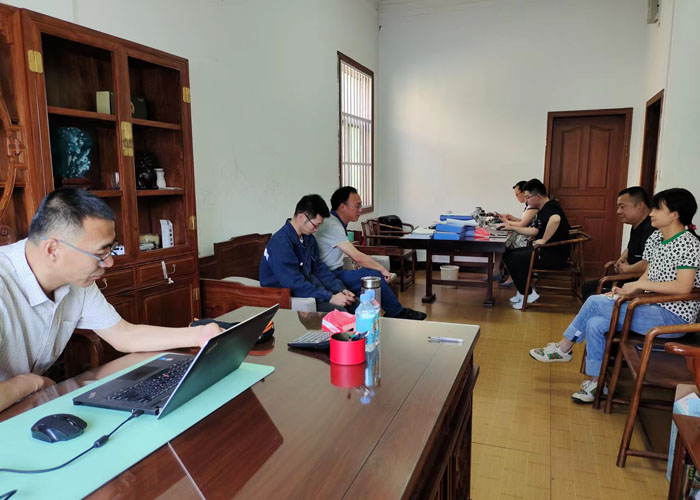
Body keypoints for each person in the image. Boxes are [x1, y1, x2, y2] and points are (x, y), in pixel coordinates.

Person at [0, 189, 222, 412]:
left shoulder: (77, 280)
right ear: (52, 250)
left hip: (28, 405)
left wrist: (200, 335)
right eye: (100, 254)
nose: (109, 263)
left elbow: (123, 335)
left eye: (110, 250)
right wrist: (29, 383)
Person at [529, 188, 700, 403]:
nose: (651, 213)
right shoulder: (657, 237)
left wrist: (639, 285)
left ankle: (564, 347)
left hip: (673, 317)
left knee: (594, 301)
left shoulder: (688, 243)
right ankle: (597, 383)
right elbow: (650, 272)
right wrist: (632, 289)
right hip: (648, 305)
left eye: (657, 209)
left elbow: (683, 287)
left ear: (674, 215)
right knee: (594, 323)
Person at [315, 186, 427, 320]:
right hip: (329, 275)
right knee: (373, 276)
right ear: (342, 207)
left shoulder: (334, 222)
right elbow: (356, 256)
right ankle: (397, 313)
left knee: (370, 275)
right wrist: (382, 269)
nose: (360, 210)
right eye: (357, 206)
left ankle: (393, 312)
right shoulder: (332, 225)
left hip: (336, 271)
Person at [259, 194, 356, 313]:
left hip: (308, 290)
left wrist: (340, 289)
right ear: (301, 217)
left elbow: (319, 269)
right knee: (340, 312)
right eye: (315, 225)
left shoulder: (308, 239)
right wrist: (329, 297)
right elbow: (294, 283)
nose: (316, 230)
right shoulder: (280, 243)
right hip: (286, 296)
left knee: (355, 304)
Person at [502, 179, 571, 309]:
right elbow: (534, 230)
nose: (526, 200)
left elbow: (555, 219)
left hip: (553, 256)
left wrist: (543, 240)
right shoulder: (543, 209)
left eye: (528, 197)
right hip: (544, 251)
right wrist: (511, 228)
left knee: (513, 258)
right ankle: (523, 292)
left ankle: (528, 294)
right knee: (508, 254)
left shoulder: (551, 208)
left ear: (538, 196)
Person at [581, 186, 655, 299]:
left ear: (640, 206)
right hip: (628, 278)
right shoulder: (636, 225)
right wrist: (621, 258)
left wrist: (627, 269)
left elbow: (650, 263)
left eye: (622, 207)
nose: (618, 211)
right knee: (588, 287)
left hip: (638, 283)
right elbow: (631, 247)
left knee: (592, 294)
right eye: (618, 207)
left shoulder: (651, 228)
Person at [494, 180, 539, 286]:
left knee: (505, 243)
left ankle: (512, 276)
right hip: (526, 232)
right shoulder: (528, 205)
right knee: (501, 241)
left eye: (517, 194)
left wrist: (507, 221)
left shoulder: (533, 206)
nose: (517, 197)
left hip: (530, 236)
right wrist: (512, 219)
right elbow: (526, 222)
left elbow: (523, 225)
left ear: (524, 192)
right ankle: (496, 270)